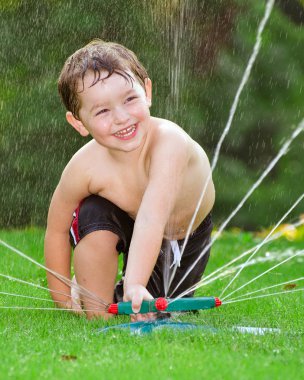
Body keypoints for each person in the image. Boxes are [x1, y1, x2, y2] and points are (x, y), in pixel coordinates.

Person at [44, 39, 215, 320]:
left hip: (180, 237)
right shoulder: (83, 166)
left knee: (159, 310)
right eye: (102, 111)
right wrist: (61, 298)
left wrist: (135, 286)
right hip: (129, 220)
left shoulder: (169, 143)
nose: (121, 117)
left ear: (146, 91)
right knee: (93, 212)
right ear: (78, 123)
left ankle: (121, 290)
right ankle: (95, 308)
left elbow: (152, 217)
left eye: (129, 99)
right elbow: (57, 229)